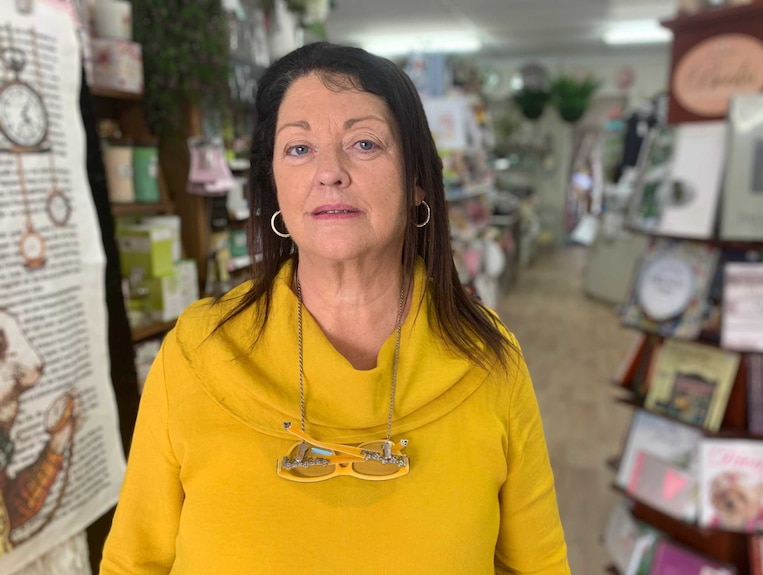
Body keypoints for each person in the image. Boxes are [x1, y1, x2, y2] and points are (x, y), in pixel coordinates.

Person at [100, 42, 569, 574]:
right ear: (274, 185)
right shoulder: (197, 352)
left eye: (364, 143)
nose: (330, 172)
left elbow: (540, 565)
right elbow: (132, 561)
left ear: (418, 181)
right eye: (299, 149)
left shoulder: (490, 362)